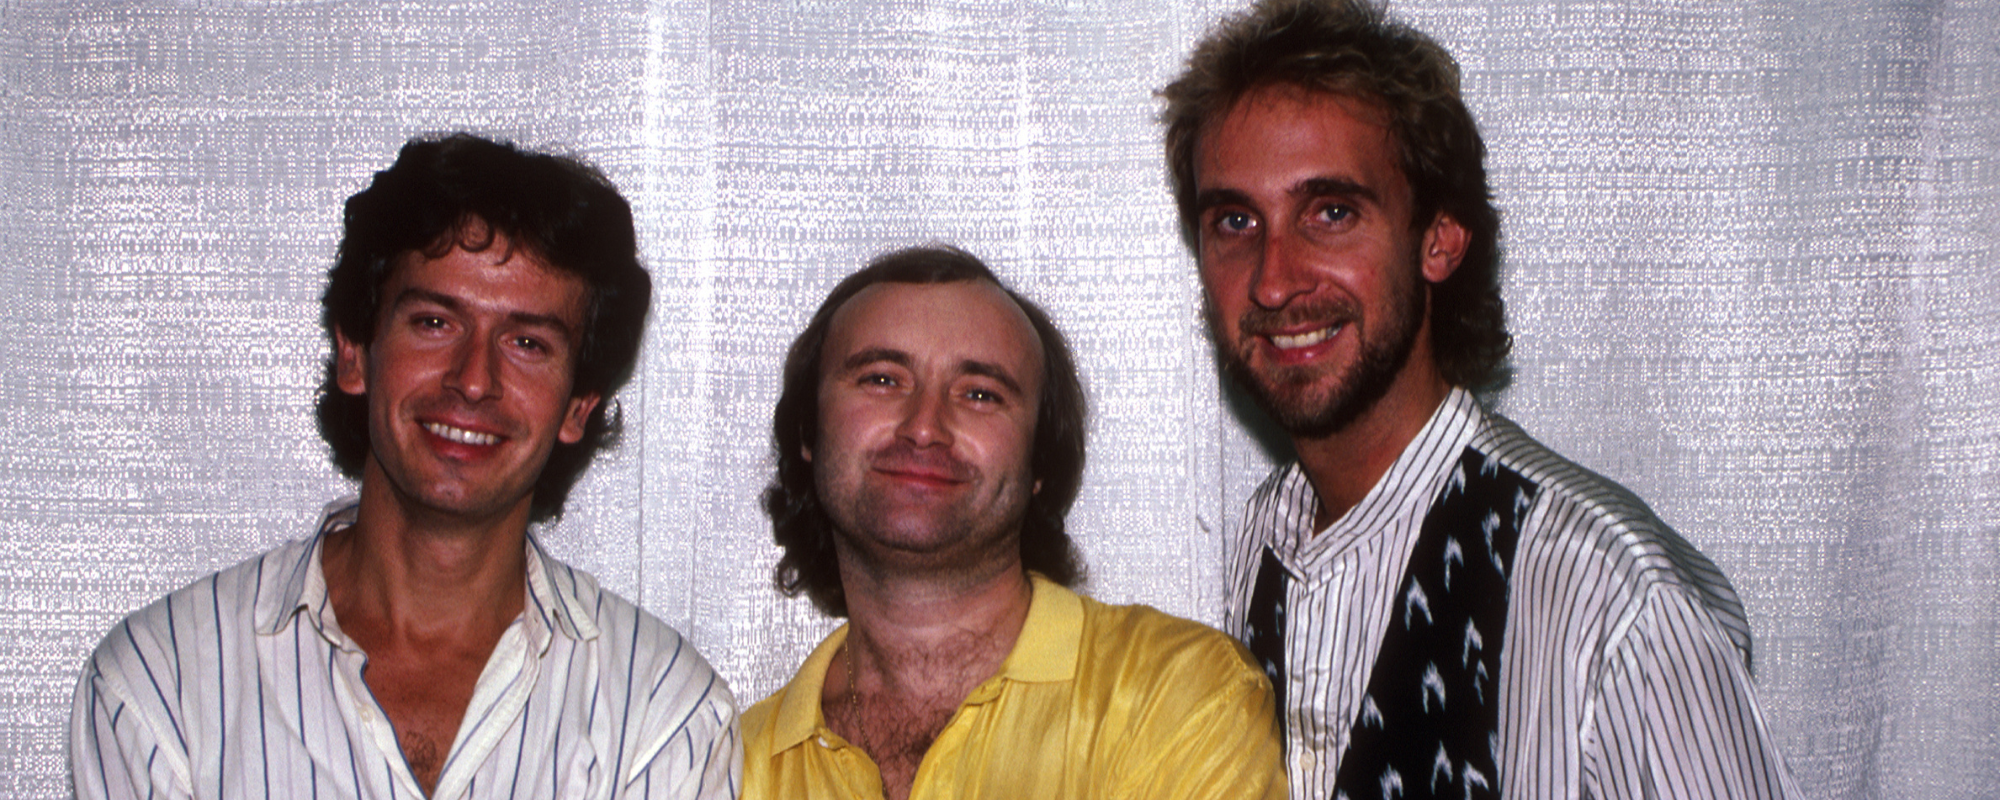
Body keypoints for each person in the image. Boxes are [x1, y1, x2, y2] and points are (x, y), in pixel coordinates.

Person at [1159, 1, 1798, 798]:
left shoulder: (1615, 597)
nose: (1273, 279)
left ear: (1439, 239)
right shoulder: (1267, 536)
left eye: (1332, 212)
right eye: (1235, 220)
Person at [69, 133, 739, 800]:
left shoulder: (663, 717)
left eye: (527, 342)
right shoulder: (163, 689)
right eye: (434, 323)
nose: (473, 379)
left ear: (578, 407)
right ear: (355, 352)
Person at [742, 245, 1284, 800]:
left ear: (1039, 463)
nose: (924, 427)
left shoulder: (1178, 697)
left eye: (980, 394)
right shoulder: (734, 769)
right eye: (882, 380)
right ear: (808, 431)